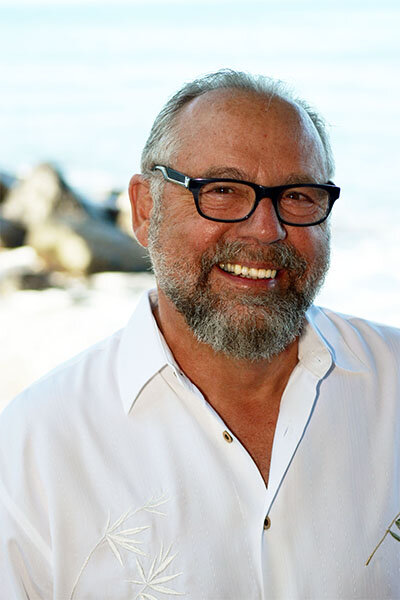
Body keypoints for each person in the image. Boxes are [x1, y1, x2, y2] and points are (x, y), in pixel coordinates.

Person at [0, 69, 399, 599]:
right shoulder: (33, 450)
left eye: (299, 196)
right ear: (145, 211)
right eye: (224, 191)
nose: (266, 228)